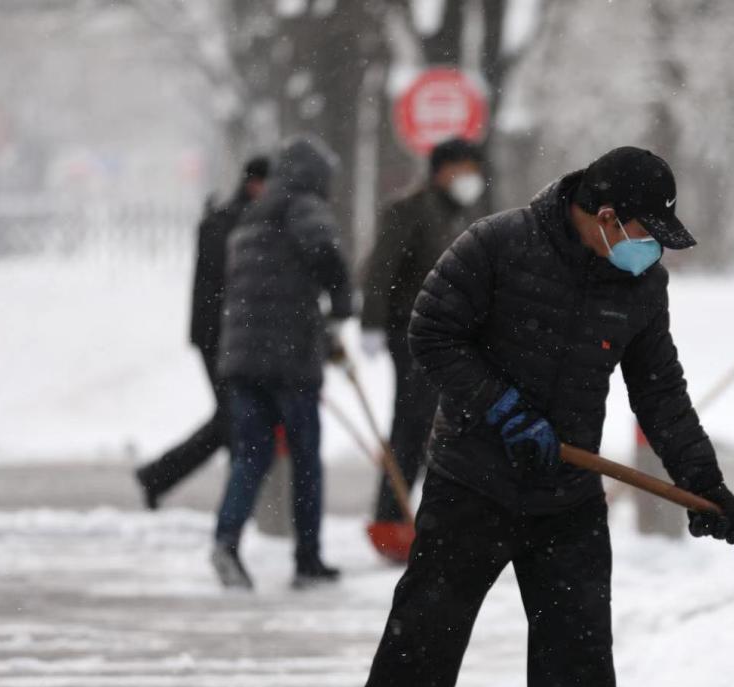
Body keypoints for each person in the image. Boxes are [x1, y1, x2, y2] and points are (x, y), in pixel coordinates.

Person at [322, 147, 734, 687]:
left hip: (566, 495)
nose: (649, 249)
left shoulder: (639, 286)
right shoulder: (497, 244)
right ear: (605, 216)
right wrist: (505, 411)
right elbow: (432, 333)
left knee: (577, 650)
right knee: (425, 634)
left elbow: (660, 391)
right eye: (644, 232)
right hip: (473, 481)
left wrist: (701, 484)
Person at [209, 136, 353, 591]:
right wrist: (342, 306)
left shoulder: (252, 214)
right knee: (306, 456)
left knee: (252, 454)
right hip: (289, 357)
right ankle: (308, 559)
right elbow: (327, 255)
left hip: (244, 356)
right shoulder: (304, 205)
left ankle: (226, 541)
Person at [359, 138, 485, 525]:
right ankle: (390, 514)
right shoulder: (410, 209)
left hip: (446, 337)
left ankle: (424, 514)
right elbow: (381, 268)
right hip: (411, 333)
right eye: (465, 170)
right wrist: (372, 323)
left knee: (436, 424)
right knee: (412, 421)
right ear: (443, 170)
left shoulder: (455, 213)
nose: (471, 180)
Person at [134, 156, 270, 508]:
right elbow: (227, 284)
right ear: (255, 183)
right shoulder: (234, 223)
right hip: (220, 337)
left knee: (233, 420)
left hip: (223, 335)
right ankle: (161, 478)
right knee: (234, 419)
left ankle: (159, 477)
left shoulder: (232, 220)